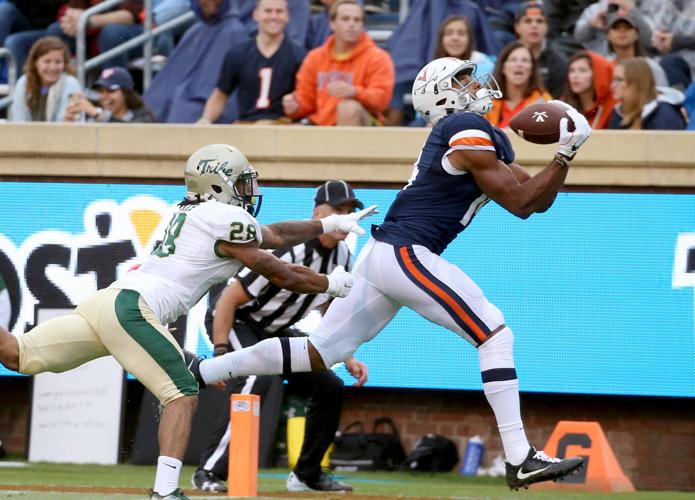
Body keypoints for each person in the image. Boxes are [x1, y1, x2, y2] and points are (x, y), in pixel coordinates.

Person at [195, 56, 592, 491]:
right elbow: (519, 202)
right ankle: (519, 456)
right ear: (443, 94)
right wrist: (565, 151)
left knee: (317, 353)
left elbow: (535, 201)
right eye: (462, 79)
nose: (474, 84)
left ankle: (204, 372)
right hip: (406, 252)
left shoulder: (473, 136)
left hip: (384, 256)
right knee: (494, 334)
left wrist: (563, 160)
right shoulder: (462, 129)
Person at [0, 143, 376, 500]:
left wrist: (327, 226)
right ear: (218, 182)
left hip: (105, 303)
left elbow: (275, 234)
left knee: (17, 354)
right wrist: (331, 283)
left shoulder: (195, 211)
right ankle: (165, 489)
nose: (250, 189)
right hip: (134, 308)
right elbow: (278, 270)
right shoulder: (225, 218)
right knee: (181, 393)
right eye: (242, 180)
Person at [193, 180, 368, 494]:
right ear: (318, 212)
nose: (345, 216)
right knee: (253, 379)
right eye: (338, 210)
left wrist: (348, 356)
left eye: (349, 211)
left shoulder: (341, 255)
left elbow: (329, 306)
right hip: (239, 321)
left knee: (330, 385)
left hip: (275, 329)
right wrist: (222, 353)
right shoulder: (294, 248)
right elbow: (229, 299)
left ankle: (307, 474)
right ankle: (208, 471)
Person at [281, 0, 394, 126]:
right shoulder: (315, 57)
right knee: (292, 129)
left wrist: (355, 92)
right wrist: (294, 106)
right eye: (345, 19)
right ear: (332, 23)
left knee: (348, 107)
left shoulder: (377, 57)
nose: (352, 24)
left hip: (367, 126)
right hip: (322, 124)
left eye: (357, 20)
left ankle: (345, 146)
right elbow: (306, 103)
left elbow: (382, 101)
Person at [196, 0, 305, 125]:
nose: (273, 17)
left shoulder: (299, 56)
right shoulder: (237, 54)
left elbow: (306, 99)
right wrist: (206, 119)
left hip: (282, 128)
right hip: (246, 126)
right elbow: (221, 94)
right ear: (256, 14)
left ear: (287, 16)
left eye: (279, 12)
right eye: (268, 11)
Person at [143, 0, 251, 123]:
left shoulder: (235, 33)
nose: (205, 2)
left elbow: (230, 98)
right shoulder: (193, 33)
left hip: (207, 120)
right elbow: (166, 85)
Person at [45, 0, 145, 69]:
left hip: (137, 33)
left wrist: (87, 20)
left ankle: (113, 88)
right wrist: (70, 21)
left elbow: (129, 16)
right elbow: (74, 9)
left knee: (112, 33)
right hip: (96, 31)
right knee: (56, 30)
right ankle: (60, 89)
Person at [9, 36, 82, 122]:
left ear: (64, 64)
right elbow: (19, 120)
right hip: (29, 134)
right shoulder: (23, 82)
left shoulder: (72, 84)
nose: (52, 68)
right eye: (47, 61)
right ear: (36, 62)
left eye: (58, 62)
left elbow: (71, 123)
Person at [485, 41, 552, 128]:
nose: (519, 64)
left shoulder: (544, 101)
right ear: (502, 68)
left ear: (532, 69)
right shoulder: (486, 103)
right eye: (513, 59)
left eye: (525, 60)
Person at [608, 56, 687, 130]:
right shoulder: (618, 112)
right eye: (613, 79)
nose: (612, 85)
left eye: (618, 80)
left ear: (637, 82)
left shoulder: (664, 115)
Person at [513, 1, 568, 99]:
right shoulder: (507, 57)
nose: (534, 26)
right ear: (517, 27)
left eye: (540, 21)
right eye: (528, 21)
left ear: (547, 27)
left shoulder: (559, 62)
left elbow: (558, 101)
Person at [603, 9, 669, 88]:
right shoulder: (604, 67)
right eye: (616, 28)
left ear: (637, 34)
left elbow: (662, 97)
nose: (622, 31)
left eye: (627, 27)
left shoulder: (651, 68)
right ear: (607, 35)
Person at [64, 66, 155, 123]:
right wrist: (69, 126)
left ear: (126, 93)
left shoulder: (142, 117)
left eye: (111, 91)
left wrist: (96, 113)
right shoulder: (95, 118)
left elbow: (130, 133)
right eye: (101, 91)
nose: (104, 96)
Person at [561, 50, 617, 129]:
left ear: (598, 74)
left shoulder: (613, 106)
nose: (575, 76)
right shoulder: (562, 106)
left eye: (582, 70)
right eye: (572, 70)